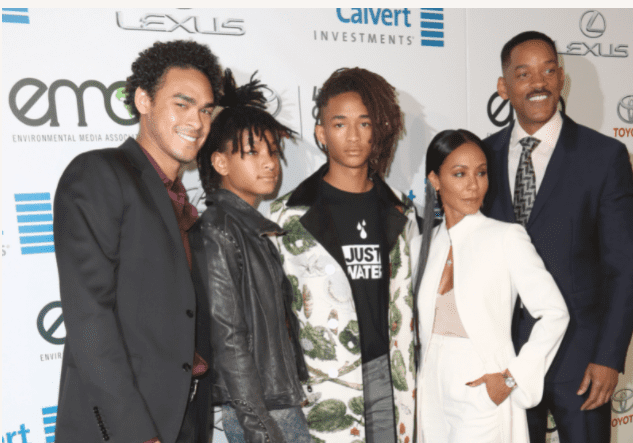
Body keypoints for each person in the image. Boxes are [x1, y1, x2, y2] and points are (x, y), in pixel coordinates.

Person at [53, 40, 222, 443]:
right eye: (182, 104)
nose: (196, 122)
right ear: (143, 100)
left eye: (205, 110)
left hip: (187, 417)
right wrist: (135, 434)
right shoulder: (99, 174)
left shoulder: (180, 199)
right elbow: (89, 319)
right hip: (124, 426)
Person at [482, 31, 633, 443]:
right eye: (524, 73)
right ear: (504, 87)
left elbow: (624, 269)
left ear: (561, 78)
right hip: (505, 361)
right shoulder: (480, 160)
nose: (539, 82)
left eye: (549, 70)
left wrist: (608, 357)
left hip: (582, 363)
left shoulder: (604, 157)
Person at [268, 67, 419, 443]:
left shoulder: (400, 211)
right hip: (324, 385)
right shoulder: (288, 217)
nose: (353, 136)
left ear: (377, 131)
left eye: (364, 123)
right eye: (339, 124)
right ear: (321, 133)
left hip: (391, 379)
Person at [411, 129, 569, 443]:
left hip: (482, 386)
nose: (474, 184)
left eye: (481, 173)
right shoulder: (419, 246)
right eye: (459, 174)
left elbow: (555, 313)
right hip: (430, 389)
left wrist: (511, 378)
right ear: (435, 180)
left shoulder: (505, 237)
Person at [188, 69, 313, 443]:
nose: (270, 162)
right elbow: (229, 338)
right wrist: (258, 426)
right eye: (253, 151)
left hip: (273, 402)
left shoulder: (249, 228)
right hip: (258, 409)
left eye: (273, 151)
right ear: (220, 163)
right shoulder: (219, 229)